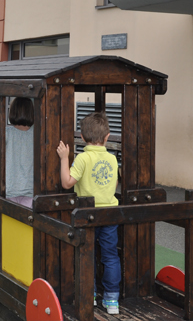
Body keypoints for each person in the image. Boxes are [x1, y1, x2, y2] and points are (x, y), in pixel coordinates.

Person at [58, 111, 122, 315]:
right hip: (110, 213)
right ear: (107, 136)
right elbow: (114, 184)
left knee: (87, 254)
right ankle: (112, 300)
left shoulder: (82, 158)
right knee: (110, 256)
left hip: (88, 214)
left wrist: (64, 158)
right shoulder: (112, 159)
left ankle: (90, 295)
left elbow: (67, 183)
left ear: (83, 137)